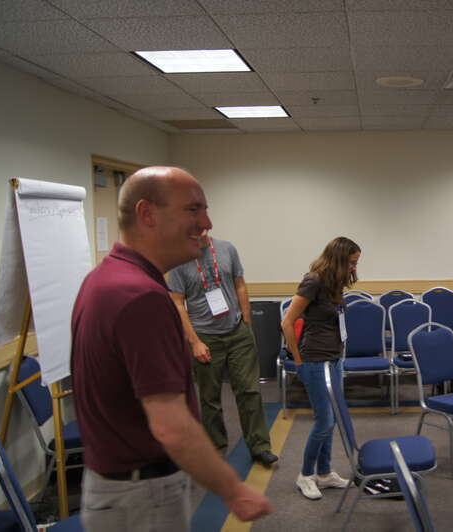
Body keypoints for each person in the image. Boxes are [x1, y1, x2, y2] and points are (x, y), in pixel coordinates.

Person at [71, 166, 271, 531]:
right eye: (193, 209)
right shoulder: (140, 296)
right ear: (146, 213)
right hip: (142, 496)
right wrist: (234, 490)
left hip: (120, 487)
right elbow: (171, 426)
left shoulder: (104, 278)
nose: (206, 221)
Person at [167, 232, 277, 466]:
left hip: (238, 331)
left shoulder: (227, 249)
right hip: (205, 337)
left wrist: (246, 321)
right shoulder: (178, 259)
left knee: (250, 392)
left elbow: (240, 285)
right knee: (210, 399)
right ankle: (216, 449)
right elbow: (177, 302)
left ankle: (260, 447)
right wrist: (194, 341)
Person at [280, 236, 361, 500]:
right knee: (324, 420)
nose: (353, 268)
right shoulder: (313, 280)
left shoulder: (334, 282)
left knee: (332, 419)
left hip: (334, 359)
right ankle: (305, 475)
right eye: (351, 262)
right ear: (337, 260)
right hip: (315, 360)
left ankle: (324, 474)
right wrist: (298, 362)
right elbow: (287, 322)